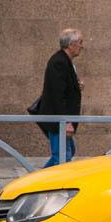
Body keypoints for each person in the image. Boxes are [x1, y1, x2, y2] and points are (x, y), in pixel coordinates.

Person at [39, 29, 85, 167]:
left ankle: (38, 181)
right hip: (58, 120)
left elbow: (63, 88)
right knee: (62, 158)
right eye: (80, 42)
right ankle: (37, 183)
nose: (82, 46)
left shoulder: (65, 61)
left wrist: (77, 86)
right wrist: (66, 122)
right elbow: (57, 95)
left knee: (66, 154)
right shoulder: (59, 62)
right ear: (71, 45)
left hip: (61, 120)